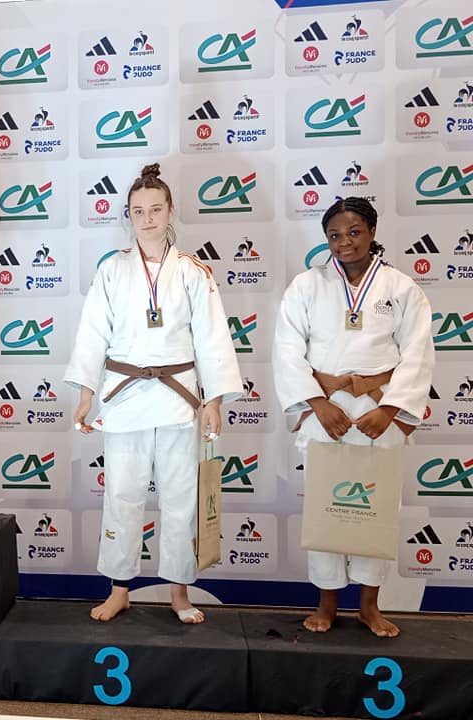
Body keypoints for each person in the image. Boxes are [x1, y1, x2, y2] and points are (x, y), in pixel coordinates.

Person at [65, 163, 242, 623]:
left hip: (179, 398)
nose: (147, 218)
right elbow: (92, 336)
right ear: (128, 215)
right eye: (138, 211)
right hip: (124, 397)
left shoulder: (194, 272)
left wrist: (215, 400)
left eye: (156, 209)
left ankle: (179, 592)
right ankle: (119, 588)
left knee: (181, 498)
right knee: (122, 495)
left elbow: (212, 339)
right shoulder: (112, 271)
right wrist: (86, 393)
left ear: (170, 211)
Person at [273, 196, 434, 638]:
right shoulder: (307, 285)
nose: (345, 242)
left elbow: (418, 353)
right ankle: (327, 604)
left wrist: (390, 410)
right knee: (325, 508)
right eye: (335, 235)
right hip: (325, 411)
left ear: (373, 232)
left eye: (355, 232)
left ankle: (368, 605)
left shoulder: (401, 288)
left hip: (379, 413)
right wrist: (317, 403)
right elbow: (287, 349)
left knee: (375, 510)